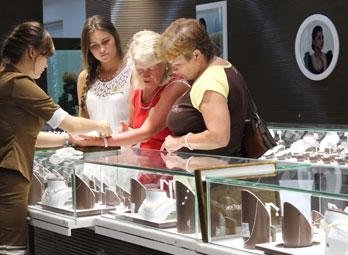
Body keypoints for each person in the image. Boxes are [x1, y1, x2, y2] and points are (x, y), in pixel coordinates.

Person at [0, 21, 111, 255]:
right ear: (32, 52)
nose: (46, 65)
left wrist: (69, 141)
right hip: (5, 193)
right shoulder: (18, 83)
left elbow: (28, 138)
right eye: (46, 57)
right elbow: (67, 120)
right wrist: (105, 125)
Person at [70, 30, 191, 150]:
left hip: (174, 163)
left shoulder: (176, 85)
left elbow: (147, 132)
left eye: (151, 68)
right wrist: (126, 132)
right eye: (140, 69)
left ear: (165, 63)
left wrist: (99, 141)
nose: (145, 75)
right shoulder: (137, 85)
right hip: (145, 162)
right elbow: (132, 127)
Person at [157, 18, 248, 156]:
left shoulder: (209, 82)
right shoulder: (222, 65)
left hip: (210, 170)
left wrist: (180, 141)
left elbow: (219, 138)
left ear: (196, 55)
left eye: (177, 64)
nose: (173, 70)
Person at [78, 14, 134, 134]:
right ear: (88, 49)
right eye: (95, 46)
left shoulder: (133, 71)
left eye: (106, 41)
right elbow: (82, 120)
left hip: (127, 148)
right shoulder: (84, 77)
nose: (102, 50)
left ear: (116, 36)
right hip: (95, 149)